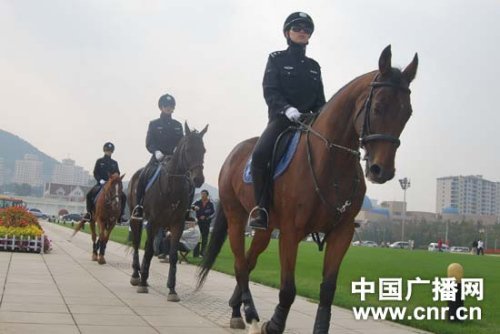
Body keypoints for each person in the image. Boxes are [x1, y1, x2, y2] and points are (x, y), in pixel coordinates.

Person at [248, 12, 326, 230]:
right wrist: (286, 108)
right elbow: (270, 90)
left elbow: (321, 100)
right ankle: (260, 209)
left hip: (310, 122)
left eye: (306, 29)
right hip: (282, 120)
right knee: (259, 155)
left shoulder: (314, 66)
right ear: (287, 33)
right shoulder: (276, 59)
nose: (302, 32)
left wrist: (321, 115)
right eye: (297, 28)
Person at [131, 93, 184, 220]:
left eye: (170, 106)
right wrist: (155, 151)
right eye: (165, 106)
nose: (168, 108)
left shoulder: (178, 125)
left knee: (187, 180)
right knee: (143, 176)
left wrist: (178, 149)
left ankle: (186, 210)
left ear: (173, 108)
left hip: (174, 159)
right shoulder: (154, 124)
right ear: (161, 107)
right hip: (157, 158)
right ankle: (139, 206)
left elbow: (181, 141)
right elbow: (149, 142)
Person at [83, 142, 126, 221]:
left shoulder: (114, 163)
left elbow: (118, 173)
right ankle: (89, 213)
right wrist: (100, 180)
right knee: (89, 195)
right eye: (107, 151)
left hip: (112, 185)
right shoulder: (99, 161)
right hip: (101, 184)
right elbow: (95, 172)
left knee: (123, 196)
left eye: (110, 151)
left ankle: (121, 215)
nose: (109, 152)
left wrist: (115, 176)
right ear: (104, 151)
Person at [192, 189, 215, 257]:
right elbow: (191, 206)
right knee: (197, 237)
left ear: (207, 195)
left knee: (205, 238)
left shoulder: (210, 203)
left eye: (204, 194)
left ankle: (203, 253)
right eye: (202, 194)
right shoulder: (198, 202)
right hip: (198, 222)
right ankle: (195, 253)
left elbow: (213, 213)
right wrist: (194, 207)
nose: (202, 195)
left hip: (206, 223)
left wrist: (206, 217)